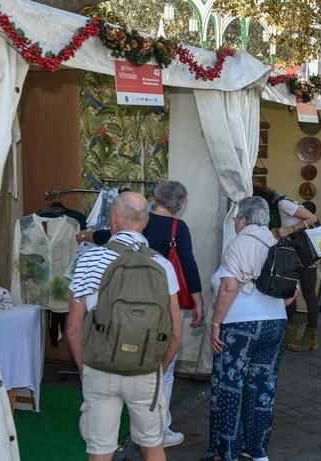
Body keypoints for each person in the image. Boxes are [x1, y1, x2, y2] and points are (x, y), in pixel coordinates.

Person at [76, 180, 202, 448]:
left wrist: (85, 370)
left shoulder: (89, 260)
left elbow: (74, 328)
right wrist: (157, 369)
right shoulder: (164, 261)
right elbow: (176, 334)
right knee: (152, 445)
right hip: (146, 364)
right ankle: (164, 426)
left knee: (100, 449)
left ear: (113, 218)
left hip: (100, 364)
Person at [206, 196, 292, 461]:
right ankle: (257, 451)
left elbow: (229, 287)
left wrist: (216, 322)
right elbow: (290, 294)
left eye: (236, 219)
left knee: (231, 387)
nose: (235, 223)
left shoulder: (238, 244)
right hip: (275, 323)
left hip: (240, 325)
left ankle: (228, 451)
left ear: (243, 219)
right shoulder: (276, 243)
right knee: (263, 388)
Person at [252, 185, 319, 352]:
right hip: (293, 254)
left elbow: (312, 218)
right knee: (289, 289)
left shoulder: (283, 204)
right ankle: (289, 333)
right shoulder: (280, 205)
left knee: (309, 293)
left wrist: (288, 230)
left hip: (304, 254)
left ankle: (311, 338)